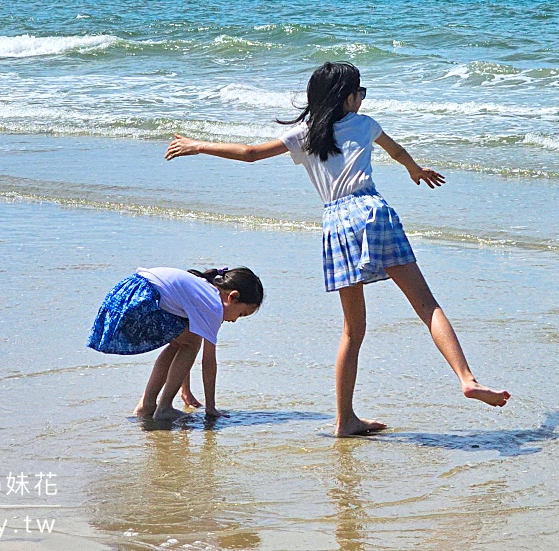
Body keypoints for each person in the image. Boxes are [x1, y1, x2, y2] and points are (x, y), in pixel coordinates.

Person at [166, 61, 510, 436]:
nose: (362, 100)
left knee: (352, 330)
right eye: (360, 93)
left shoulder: (304, 133)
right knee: (428, 306)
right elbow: (396, 152)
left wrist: (198, 145)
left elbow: (250, 153)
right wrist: (415, 171)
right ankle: (466, 377)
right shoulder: (365, 124)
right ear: (348, 97)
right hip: (374, 211)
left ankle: (345, 419)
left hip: (337, 223)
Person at [87, 266, 263, 420]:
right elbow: (208, 362)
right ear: (232, 297)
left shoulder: (205, 289)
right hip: (142, 300)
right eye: (241, 314)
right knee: (190, 343)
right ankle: (163, 408)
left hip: (126, 295)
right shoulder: (213, 306)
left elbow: (182, 351)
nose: (234, 320)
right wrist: (211, 408)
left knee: (182, 342)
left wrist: (185, 391)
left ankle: (147, 404)